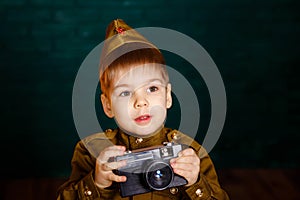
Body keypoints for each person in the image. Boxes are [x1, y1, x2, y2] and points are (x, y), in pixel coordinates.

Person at [57, 19, 229, 200]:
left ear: (168, 96)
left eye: (152, 89)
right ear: (108, 106)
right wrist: (97, 182)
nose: (141, 102)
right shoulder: (91, 150)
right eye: (125, 92)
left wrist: (195, 183)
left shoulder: (189, 151)